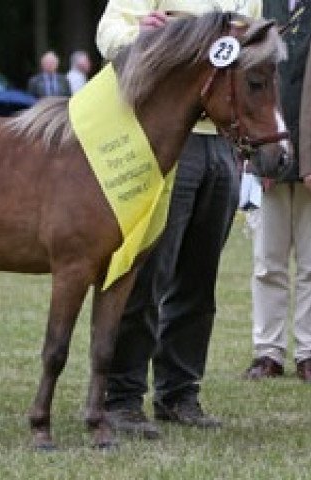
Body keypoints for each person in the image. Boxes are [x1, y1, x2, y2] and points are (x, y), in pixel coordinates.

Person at [97, 0, 262, 439]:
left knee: (198, 278)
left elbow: (253, 54)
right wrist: (141, 36)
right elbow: (108, 30)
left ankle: (179, 393)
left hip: (223, 144)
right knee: (149, 271)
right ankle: (123, 396)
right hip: (166, 137)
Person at [244, 0, 311, 382]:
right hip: (268, 148)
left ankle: (308, 351)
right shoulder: (260, 7)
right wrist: (259, 160)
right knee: (267, 262)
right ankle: (267, 352)